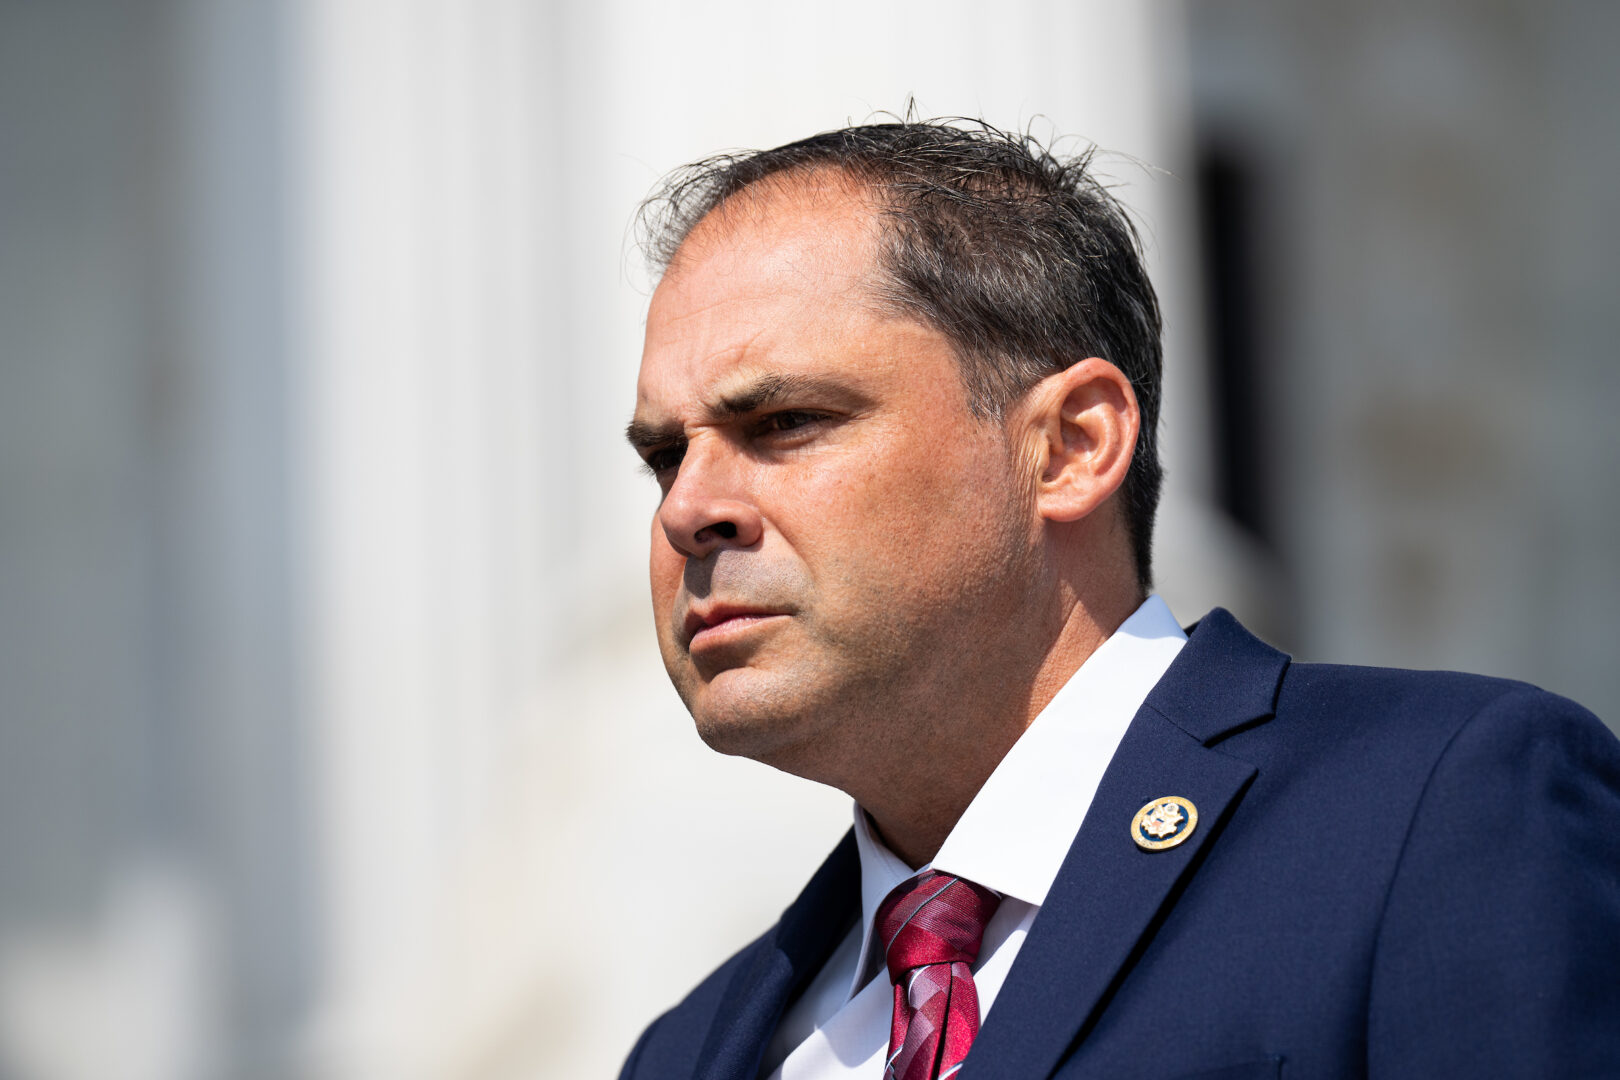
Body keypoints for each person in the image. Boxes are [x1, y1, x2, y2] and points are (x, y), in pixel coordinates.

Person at [617, 120, 1620, 1080]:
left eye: (787, 421)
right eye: (666, 456)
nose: (689, 510)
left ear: (1070, 448)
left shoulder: (1436, 811)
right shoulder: (689, 1049)